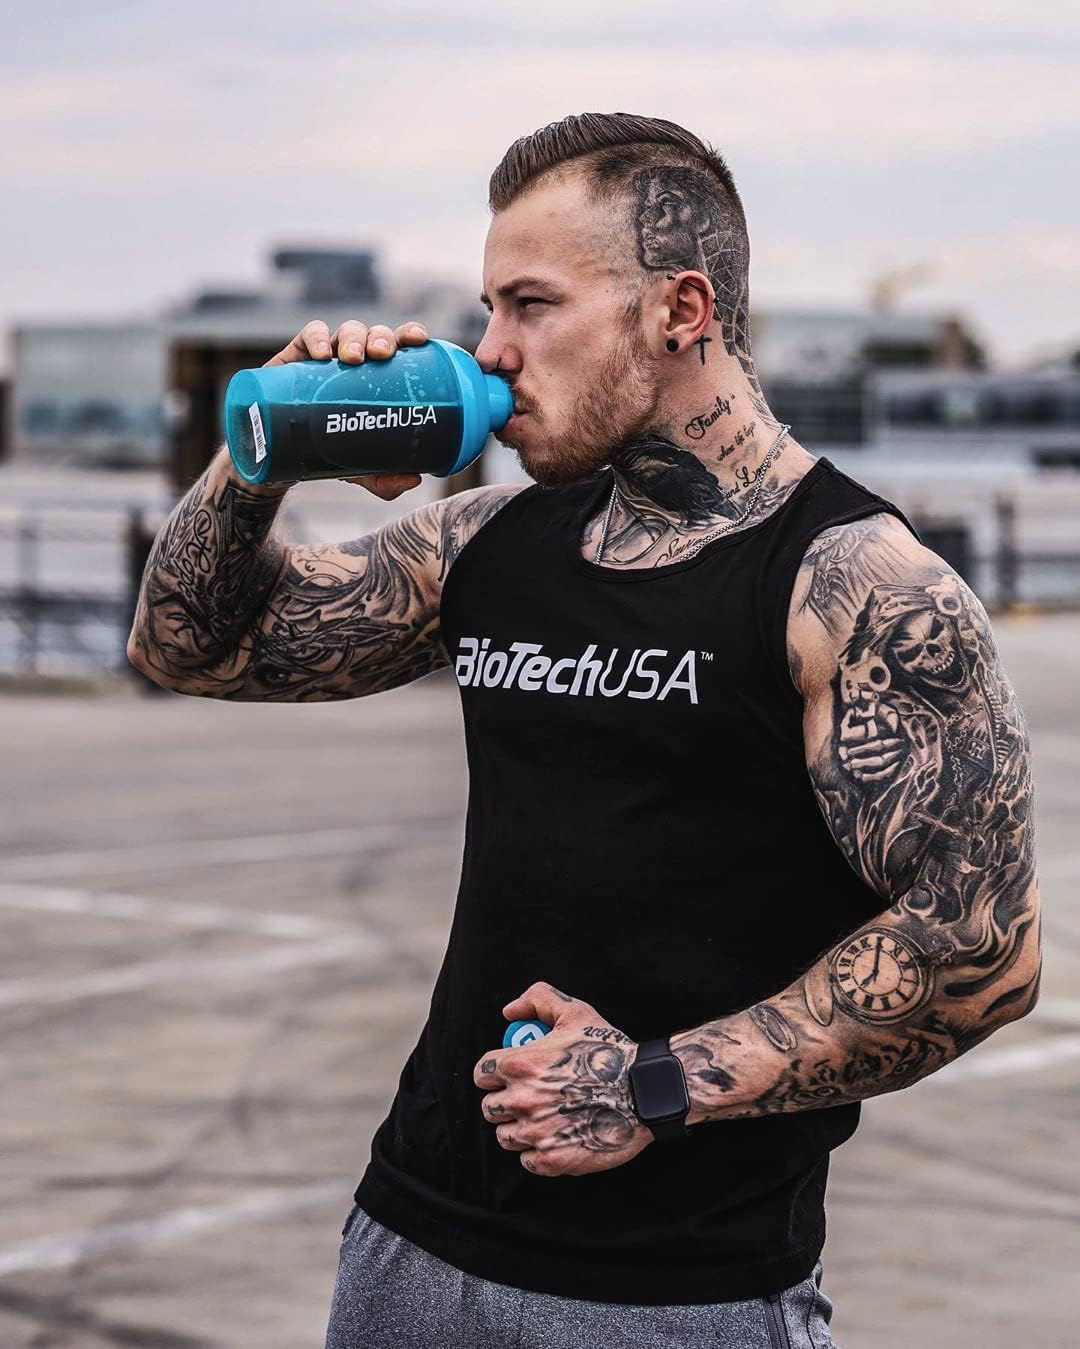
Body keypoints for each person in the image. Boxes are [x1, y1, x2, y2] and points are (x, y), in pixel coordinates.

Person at [128, 112, 1042, 1349]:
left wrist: (651, 1082)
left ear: (678, 310)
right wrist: (272, 448)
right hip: (408, 1245)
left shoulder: (856, 587)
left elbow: (982, 949)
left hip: (680, 1295)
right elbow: (191, 643)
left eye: (531, 305)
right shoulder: (492, 542)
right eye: (488, 308)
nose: (490, 352)